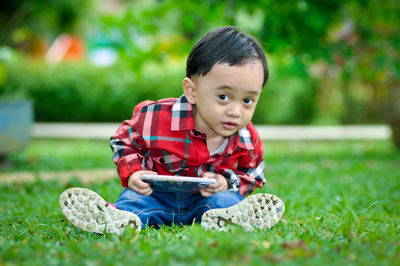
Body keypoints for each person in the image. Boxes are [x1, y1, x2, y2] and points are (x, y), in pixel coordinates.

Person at [59, 26, 285, 235]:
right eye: (223, 97)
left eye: (247, 100)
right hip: (156, 197)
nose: (235, 111)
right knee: (134, 200)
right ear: (192, 91)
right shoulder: (155, 117)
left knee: (226, 201)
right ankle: (117, 219)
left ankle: (228, 219)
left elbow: (253, 172)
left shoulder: (246, 137)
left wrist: (227, 182)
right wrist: (134, 172)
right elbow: (123, 141)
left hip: (206, 202)